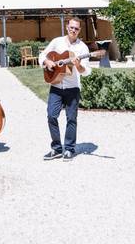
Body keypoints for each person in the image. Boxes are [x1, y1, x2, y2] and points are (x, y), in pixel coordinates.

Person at [39, 17, 92, 161]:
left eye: (76, 28)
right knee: (51, 116)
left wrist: (78, 65)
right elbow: (42, 55)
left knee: (71, 119)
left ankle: (69, 149)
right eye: (71, 27)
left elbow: (86, 71)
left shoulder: (83, 48)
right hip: (56, 85)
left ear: (79, 30)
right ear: (67, 27)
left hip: (72, 88)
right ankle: (56, 148)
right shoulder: (57, 42)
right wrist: (47, 61)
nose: (73, 30)